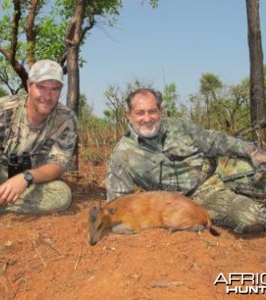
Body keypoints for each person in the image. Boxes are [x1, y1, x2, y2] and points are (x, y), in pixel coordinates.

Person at [0, 60, 78, 276]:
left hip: (25, 182)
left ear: (60, 91)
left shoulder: (66, 119)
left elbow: (58, 165)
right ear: (29, 86)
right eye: (41, 87)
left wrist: (26, 177)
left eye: (54, 88)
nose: (47, 95)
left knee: (62, 195)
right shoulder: (2, 109)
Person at [106, 88, 266, 235]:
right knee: (251, 219)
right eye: (140, 113)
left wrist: (254, 152)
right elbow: (117, 204)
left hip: (215, 175)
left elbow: (216, 141)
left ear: (160, 111)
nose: (147, 118)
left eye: (152, 111)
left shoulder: (181, 126)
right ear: (128, 115)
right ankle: (215, 212)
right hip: (190, 200)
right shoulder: (122, 154)